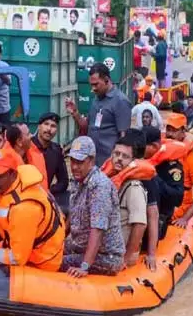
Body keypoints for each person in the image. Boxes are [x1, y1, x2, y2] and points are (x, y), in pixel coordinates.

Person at [61, 136, 125, 277]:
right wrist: (59, 239)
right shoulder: (78, 181)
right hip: (78, 245)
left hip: (106, 257)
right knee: (45, 252)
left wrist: (85, 266)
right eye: (72, 161)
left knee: (54, 262)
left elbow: (97, 229)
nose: (74, 166)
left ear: (91, 160)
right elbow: (73, 214)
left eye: (80, 162)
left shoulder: (99, 186)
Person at [101, 132, 157, 269]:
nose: (119, 159)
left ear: (133, 161)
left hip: (120, 253)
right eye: (116, 154)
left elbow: (141, 224)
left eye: (125, 156)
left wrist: (125, 260)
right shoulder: (107, 179)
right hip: (108, 246)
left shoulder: (134, 188)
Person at [66, 63, 132, 167]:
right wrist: (75, 113)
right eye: (91, 85)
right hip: (93, 163)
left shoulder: (120, 101)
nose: (93, 89)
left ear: (106, 80)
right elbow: (86, 127)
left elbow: (124, 137)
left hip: (109, 164)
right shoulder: (96, 99)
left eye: (96, 84)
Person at [142, 126, 185, 239]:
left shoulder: (172, 167)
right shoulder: (137, 161)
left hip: (159, 216)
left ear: (154, 146)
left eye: (142, 146)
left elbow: (177, 198)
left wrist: (155, 178)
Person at [165, 114, 193, 229]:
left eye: (174, 131)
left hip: (178, 213)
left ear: (183, 131)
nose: (169, 134)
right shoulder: (162, 152)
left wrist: (185, 218)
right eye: (168, 130)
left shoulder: (192, 158)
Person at [31, 112, 69, 198]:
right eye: (46, 124)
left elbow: (63, 182)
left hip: (45, 197)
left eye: (53, 126)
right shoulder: (27, 146)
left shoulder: (56, 151)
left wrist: (49, 191)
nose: (49, 129)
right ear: (39, 126)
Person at [5, 123, 49, 192]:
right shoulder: (5, 166)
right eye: (28, 134)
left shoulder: (35, 153)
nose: (31, 136)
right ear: (19, 141)